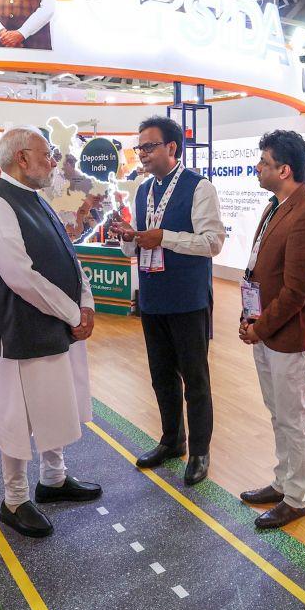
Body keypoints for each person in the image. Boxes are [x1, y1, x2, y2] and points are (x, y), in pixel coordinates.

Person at [0, 126, 103, 539]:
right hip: (17, 331)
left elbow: (68, 257)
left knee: (54, 403)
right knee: (16, 416)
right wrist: (72, 312)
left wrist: (85, 303)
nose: (52, 161)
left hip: (54, 324)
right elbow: (19, 275)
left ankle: (53, 479)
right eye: (46, 154)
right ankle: (14, 500)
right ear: (21, 158)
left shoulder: (36, 199)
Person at [111, 116, 225, 486]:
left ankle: (201, 451)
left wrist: (164, 237)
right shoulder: (143, 190)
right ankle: (172, 440)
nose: (142, 153)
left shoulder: (198, 187)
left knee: (196, 379)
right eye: (139, 147)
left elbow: (212, 242)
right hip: (153, 297)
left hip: (187, 298)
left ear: (171, 147)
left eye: (149, 146)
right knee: (161, 376)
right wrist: (129, 237)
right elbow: (136, 247)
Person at [237, 130, 305, 529]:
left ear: (285, 170)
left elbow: (296, 291)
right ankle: (282, 481)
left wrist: (261, 327)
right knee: (278, 412)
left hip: (288, 336)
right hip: (265, 328)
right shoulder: (276, 206)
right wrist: (250, 319)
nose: (258, 168)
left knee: (293, 417)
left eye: (264, 162)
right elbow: (261, 271)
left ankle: (296, 498)